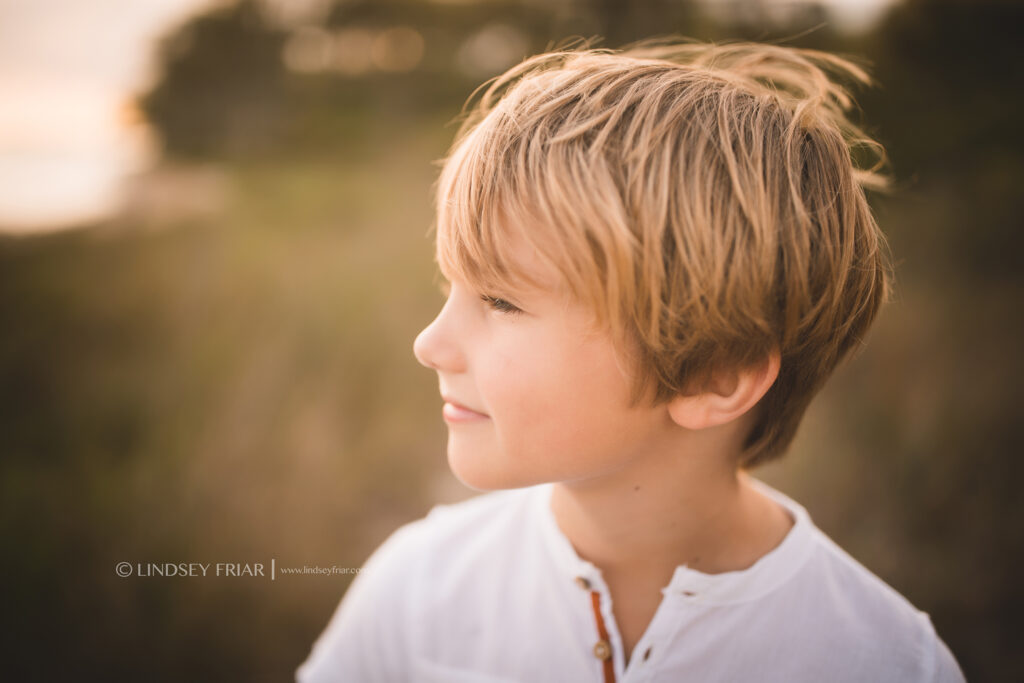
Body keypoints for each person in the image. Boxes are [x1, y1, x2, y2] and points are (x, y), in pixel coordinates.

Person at [297, 39, 965, 682]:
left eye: (501, 300)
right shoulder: (419, 594)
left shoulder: (884, 660)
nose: (429, 343)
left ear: (714, 375)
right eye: (453, 287)